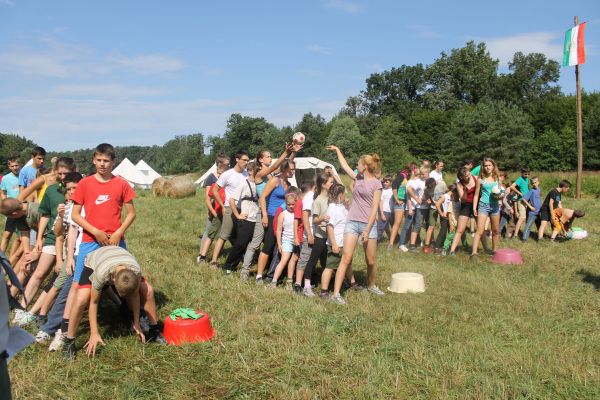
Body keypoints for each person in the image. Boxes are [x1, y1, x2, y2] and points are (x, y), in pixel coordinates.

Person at [64, 143, 137, 357]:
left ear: (112, 162)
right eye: (99, 160)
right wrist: (95, 231)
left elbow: (132, 213)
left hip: (115, 242)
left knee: (131, 282)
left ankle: (138, 320)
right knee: (81, 294)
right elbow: (76, 215)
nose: (102, 164)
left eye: (106, 161)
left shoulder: (121, 184)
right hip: (90, 242)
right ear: (94, 160)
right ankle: (69, 338)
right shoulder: (85, 184)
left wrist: (118, 232)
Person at [64, 246, 166, 359]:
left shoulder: (135, 271)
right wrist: (94, 333)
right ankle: (69, 341)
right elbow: (93, 302)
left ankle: (154, 330)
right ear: (112, 282)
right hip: (94, 260)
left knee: (148, 290)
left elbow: (135, 296)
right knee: (81, 299)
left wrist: (136, 322)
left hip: (119, 257)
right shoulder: (101, 274)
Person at [327, 145, 384, 304]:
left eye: (358, 164)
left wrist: (367, 229)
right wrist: (338, 150)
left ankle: (371, 285)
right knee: (346, 257)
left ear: (365, 166)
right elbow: (344, 166)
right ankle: (336, 294)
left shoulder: (376, 184)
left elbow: (374, 209)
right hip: (352, 222)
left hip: (368, 224)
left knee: (370, 261)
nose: (356, 166)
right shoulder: (357, 178)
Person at [240, 144, 299, 281]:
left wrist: (293, 153)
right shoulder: (261, 174)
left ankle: (271, 273)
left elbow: (284, 165)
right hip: (265, 212)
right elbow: (277, 168)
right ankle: (248, 271)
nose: (270, 158)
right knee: (257, 243)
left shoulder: (280, 178)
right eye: (268, 156)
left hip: (279, 216)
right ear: (260, 159)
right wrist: (285, 151)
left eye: (271, 156)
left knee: (272, 245)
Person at [255, 160, 296, 284]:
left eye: (294, 169)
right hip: (272, 216)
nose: (293, 171)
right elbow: (262, 197)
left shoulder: (288, 184)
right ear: (284, 169)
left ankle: (272, 274)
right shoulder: (274, 180)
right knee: (268, 245)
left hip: (283, 217)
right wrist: (265, 215)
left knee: (278, 246)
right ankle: (259, 275)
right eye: (291, 169)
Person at [209, 150, 250, 268]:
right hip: (229, 208)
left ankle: (242, 258)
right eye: (244, 160)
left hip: (243, 209)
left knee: (241, 236)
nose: (246, 162)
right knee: (224, 235)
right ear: (237, 160)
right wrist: (222, 206)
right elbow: (214, 191)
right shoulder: (228, 174)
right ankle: (214, 261)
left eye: (247, 160)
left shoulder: (247, 174)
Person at [222, 162, 259, 275]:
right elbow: (232, 200)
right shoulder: (244, 183)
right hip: (246, 219)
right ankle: (228, 266)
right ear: (251, 171)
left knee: (251, 244)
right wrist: (238, 215)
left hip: (257, 218)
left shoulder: (260, 184)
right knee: (241, 244)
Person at [301, 172, 334, 297]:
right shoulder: (318, 200)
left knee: (327, 262)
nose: (332, 184)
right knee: (312, 260)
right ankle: (307, 286)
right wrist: (322, 219)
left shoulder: (330, 198)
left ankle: (328, 283)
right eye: (330, 182)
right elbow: (314, 220)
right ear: (323, 184)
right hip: (320, 237)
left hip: (329, 236)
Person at [197, 153, 230, 263]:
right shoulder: (211, 177)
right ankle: (201, 255)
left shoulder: (228, 175)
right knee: (209, 232)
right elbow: (208, 197)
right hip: (215, 210)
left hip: (226, 209)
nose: (229, 165)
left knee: (226, 234)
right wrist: (212, 212)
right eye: (227, 163)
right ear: (220, 163)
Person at [471, 158, 502, 258]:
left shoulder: (498, 179)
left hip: (495, 206)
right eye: (485, 165)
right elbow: (476, 195)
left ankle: (494, 252)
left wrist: (500, 197)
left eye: (489, 165)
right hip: (483, 206)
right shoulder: (480, 180)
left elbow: (500, 193)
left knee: (496, 230)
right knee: (480, 230)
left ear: (493, 166)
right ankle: (474, 253)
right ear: (483, 167)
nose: (487, 167)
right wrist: (474, 208)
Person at [269, 192, 299, 288]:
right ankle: (273, 281)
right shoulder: (283, 214)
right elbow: (278, 230)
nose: (291, 206)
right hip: (286, 240)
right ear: (285, 203)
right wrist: (279, 244)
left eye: (293, 204)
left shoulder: (298, 214)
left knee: (294, 260)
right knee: (284, 260)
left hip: (297, 241)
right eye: (288, 204)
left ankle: (289, 282)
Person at [448, 166, 477, 256]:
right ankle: (452, 251)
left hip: (477, 205)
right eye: (466, 175)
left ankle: (486, 248)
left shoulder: (476, 178)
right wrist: (466, 190)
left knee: (480, 229)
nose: (468, 176)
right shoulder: (459, 184)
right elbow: (463, 199)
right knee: (460, 229)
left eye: (469, 173)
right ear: (461, 177)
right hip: (466, 205)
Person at [293, 181, 316, 293]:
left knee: (308, 258)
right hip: (303, 234)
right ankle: (297, 283)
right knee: (303, 258)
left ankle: (306, 281)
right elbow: (296, 220)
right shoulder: (301, 202)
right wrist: (296, 237)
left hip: (306, 233)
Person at [387, 163, 416, 249]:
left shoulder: (410, 178)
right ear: (411, 169)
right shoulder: (402, 175)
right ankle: (391, 244)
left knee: (409, 223)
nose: (416, 171)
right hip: (401, 201)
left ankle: (405, 242)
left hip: (409, 202)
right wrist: (396, 199)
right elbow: (394, 185)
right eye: (415, 169)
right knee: (397, 223)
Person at [406, 168, 430, 253]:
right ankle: (412, 246)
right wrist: (416, 198)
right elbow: (409, 189)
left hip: (429, 207)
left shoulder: (430, 180)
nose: (423, 175)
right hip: (421, 207)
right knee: (418, 225)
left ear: (428, 173)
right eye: (421, 174)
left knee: (429, 225)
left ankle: (429, 243)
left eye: (424, 174)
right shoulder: (419, 181)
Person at [0, 157, 21, 254]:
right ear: (9, 166)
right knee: (7, 234)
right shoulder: (5, 178)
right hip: (11, 210)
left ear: (19, 165)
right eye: (12, 166)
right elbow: (2, 192)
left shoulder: (23, 175)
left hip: (21, 209)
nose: (15, 168)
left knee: (20, 237)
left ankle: (12, 258)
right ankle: (1, 257)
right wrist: (5, 202)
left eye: (16, 165)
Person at [509, 167, 531, 239]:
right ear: (522, 173)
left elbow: (526, 188)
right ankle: (515, 235)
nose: (527, 175)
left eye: (528, 174)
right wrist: (520, 193)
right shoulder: (520, 179)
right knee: (522, 218)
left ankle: (524, 232)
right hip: (521, 201)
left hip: (526, 200)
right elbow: (512, 186)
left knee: (524, 218)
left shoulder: (527, 179)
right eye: (525, 174)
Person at [434, 184, 456, 252]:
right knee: (443, 232)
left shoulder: (454, 197)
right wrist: (441, 213)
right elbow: (437, 204)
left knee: (452, 232)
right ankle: (437, 247)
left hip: (452, 217)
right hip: (445, 217)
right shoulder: (445, 196)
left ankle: (448, 247)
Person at [521, 177, 542, 241]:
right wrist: (530, 207)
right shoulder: (531, 191)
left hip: (538, 212)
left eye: (535, 182)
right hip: (532, 213)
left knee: (540, 226)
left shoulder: (539, 190)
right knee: (528, 226)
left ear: (538, 182)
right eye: (532, 183)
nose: (534, 184)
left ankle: (540, 237)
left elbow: (538, 198)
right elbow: (523, 199)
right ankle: (524, 239)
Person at [377, 175, 393, 241]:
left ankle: (392, 238)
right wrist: (382, 214)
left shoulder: (393, 190)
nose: (384, 183)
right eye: (384, 182)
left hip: (391, 211)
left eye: (387, 182)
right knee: (380, 227)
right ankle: (376, 240)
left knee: (387, 226)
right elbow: (380, 202)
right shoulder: (382, 191)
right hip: (384, 211)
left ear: (391, 183)